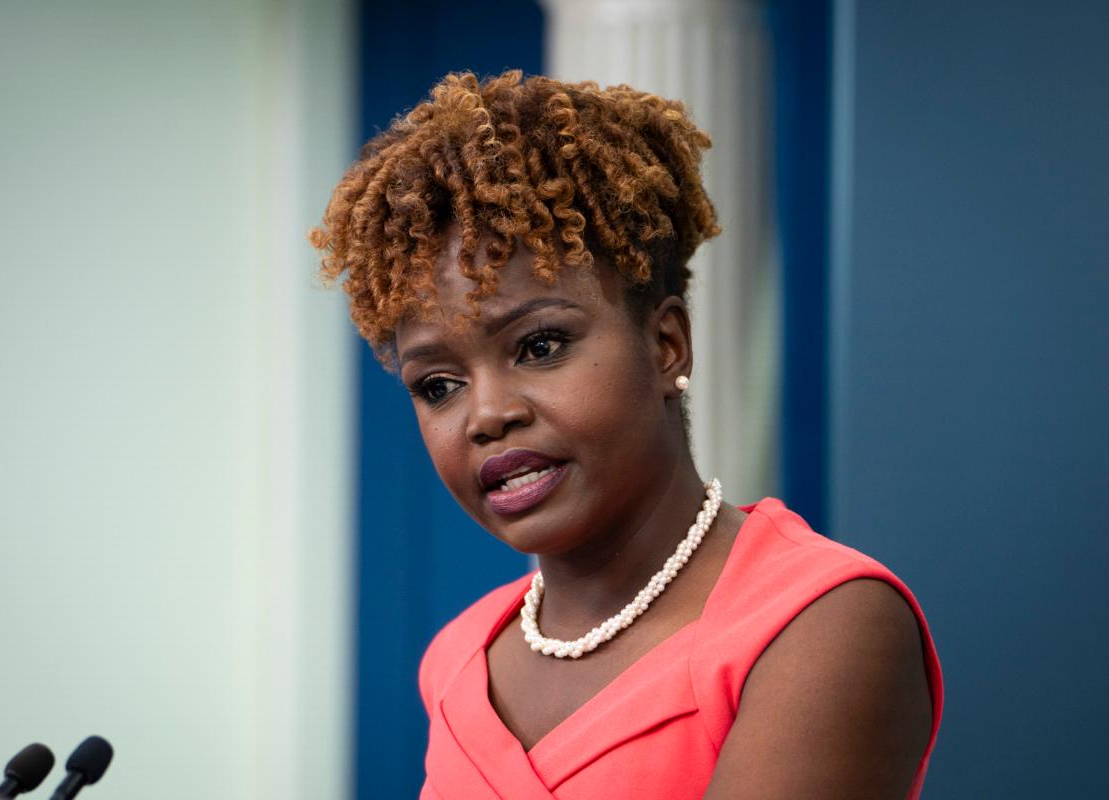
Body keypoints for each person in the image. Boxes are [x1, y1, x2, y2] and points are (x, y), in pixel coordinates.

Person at [310, 70, 942, 799]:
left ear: (667, 343)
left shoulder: (818, 624)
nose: (486, 414)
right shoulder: (458, 660)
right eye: (438, 386)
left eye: (540, 345)